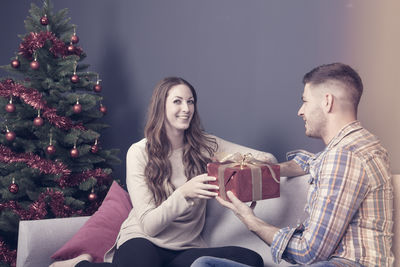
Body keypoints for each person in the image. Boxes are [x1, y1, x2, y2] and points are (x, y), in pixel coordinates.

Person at [50, 77, 277, 267]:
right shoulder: (139, 152)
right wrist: (184, 193)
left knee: (252, 260)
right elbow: (149, 224)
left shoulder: (207, 145)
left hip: (186, 247)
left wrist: (241, 164)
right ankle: (80, 264)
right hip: (143, 239)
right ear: (162, 106)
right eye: (177, 101)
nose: (186, 109)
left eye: (191, 102)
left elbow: (268, 159)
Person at [191, 63, 394, 267]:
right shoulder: (364, 144)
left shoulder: (342, 157)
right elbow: (311, 162)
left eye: (305, 101)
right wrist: (266, 168)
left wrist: (249, 220)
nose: (300, 111)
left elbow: (309, 253)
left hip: (344, 264)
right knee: (205, 264)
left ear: (327, 102)